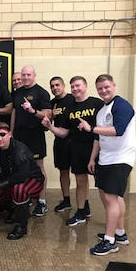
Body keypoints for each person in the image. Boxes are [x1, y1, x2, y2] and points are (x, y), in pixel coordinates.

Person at [77, 74, 136, 255]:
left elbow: (118, 130)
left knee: (111, 199)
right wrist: (93, 158)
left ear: (113, 86)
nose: (103, 91)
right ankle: (119, 233)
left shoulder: (122, 105)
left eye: (106, 87)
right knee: (114, 197)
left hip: (120, 159)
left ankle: (110, 242)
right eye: (100, 88)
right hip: (105, 159)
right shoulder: (102, 110)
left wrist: (91, 128)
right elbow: (98, 137)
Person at [42, 76, 103, 226]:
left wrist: (92, 129)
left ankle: (114, 223)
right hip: (77, 148)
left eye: (78, 86)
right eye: (73, 86)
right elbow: (64, 132)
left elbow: (109, 125)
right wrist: (50, 126)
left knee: (104, 186)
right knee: (80, 181)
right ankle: (81, 211)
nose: (75, 89)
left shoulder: (97, 104)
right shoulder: (69, 108)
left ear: (85, 86)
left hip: (99, 147)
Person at [11, 65, 52, 217]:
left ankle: (41, 202)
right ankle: (25, 197)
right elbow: (14, 112)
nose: (26, 77)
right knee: (21, 167)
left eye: (29, 74)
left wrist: (33, 111)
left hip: (35, 135)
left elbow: (48, 115)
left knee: (38, 167)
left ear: (34, 75)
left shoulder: (41, 93)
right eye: (24, 75)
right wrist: (11, 131)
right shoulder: (18, 92)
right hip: (19, 135)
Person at [49, 76, 75, 212]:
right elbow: (48, 122)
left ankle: (85, 204)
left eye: (57, 85)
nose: (55, 88)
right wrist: (52, 116)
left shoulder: (72, 99)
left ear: (64, 85)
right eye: (52, 86)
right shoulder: (52, 103)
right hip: (60, 142)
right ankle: (66, 200)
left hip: (75, 141)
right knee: (63, 172)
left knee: (80, 175)